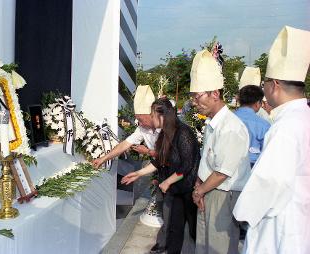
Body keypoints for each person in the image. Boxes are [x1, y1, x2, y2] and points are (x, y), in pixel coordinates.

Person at [233, 26, 310, 253]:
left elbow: (268, 181)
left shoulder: (285, 126)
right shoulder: (303, 116)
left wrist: (242, 212)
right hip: (299, 215)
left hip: (280, 223)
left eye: (264, 83)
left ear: (274, 85)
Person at [189, 50, 251, 254]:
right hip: (208, 189)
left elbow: (222, 171)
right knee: (204, 245)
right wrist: (199, 185)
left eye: (197, 97)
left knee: (219, 247)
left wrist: (200, 190)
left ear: (215, 94)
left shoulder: (231, 127)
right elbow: (207, 161)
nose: (194, 102)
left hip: (222, 193)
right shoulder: (211, 124)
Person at [121, 98, 200, 254]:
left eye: (152, 114)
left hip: (190, 190)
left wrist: (167, 181)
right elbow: (160, 161)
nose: (150, 117)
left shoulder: (183, 132)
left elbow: (187, 165)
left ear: (162, 115)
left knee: (194, 230)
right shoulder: (164, 134)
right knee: (174, 229)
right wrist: (138, 173)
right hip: (175, 190)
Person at [92, 85, 159, 168]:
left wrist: (148, 151)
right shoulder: (142, 128)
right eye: (138, 120)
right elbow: (125, 144)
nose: (140, 124)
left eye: (141, 120)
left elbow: (172, 157)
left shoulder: (166, 128)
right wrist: (103, 159)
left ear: (151, 115)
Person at [236, 84, 271, 168]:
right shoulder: (264, 125)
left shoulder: (227, 118)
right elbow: (267, 152)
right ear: (257, 103)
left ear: (240, 100)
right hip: (252, 167)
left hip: (226, 167)